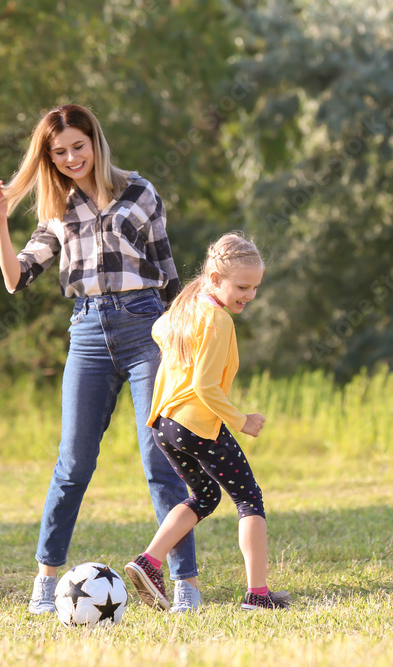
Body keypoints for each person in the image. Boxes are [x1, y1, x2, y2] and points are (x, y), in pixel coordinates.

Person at [0, 104, 201, 614]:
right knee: (73, 462)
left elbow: (169, 276)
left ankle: (184, 582)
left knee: (161, 457)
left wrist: (184, 347)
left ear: (95, 141)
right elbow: (17, 277)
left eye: (77, 146)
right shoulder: (56, 209)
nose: (70, 158)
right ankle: (44, 580)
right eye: (58, 153)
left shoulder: (141, 193)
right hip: (86, 331)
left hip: (147, 327)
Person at [123, 232, 290, 611]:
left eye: (255, 287)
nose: (249, 295)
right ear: (216, 279)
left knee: (205, 496)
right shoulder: (217, 321)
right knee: (249, 500)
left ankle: (149, 562)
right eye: (242, 286)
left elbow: (157, 331)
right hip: (196, 423)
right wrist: (241, 419)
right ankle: (257, 595)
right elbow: (205, 385)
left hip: (164, 423)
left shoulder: (189, 305)